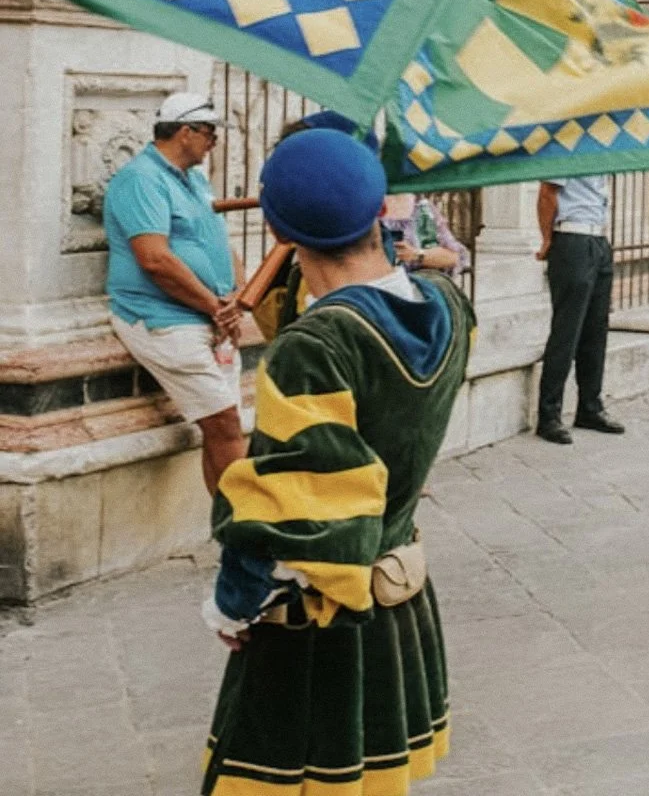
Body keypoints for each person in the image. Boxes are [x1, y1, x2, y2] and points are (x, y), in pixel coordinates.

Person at [201, 127, 474, 796]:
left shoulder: (318, 344)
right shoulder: (448, 304)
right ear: (380, 209)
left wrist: (233, 604)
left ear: (278, 225)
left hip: (322, 615)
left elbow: (298, 511)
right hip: (401, 591)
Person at [102, 91, 245, 494]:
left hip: (208, 317)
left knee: (223, 426)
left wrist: (238, 295)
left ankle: (229, 528)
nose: (215, 141)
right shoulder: (141, 180)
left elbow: (218, 239)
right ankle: (247, 535)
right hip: (163, 318)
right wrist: (215, 306)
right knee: (226, 424)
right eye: (211, 133)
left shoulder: (195, 180)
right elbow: (155, 260)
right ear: (186, 132)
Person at [533, 176, 625, 444]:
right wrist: (547, 240)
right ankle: (549, 415)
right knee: (566, 331)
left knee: (596, 331)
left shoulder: (597, 150)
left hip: (598, 238)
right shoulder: (566, 145)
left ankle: (590, 406)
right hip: (572, 237)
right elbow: (547, 194)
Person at [379, 193, 468, 275]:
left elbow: (453, 257)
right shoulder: (370, 207)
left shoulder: (422, 209)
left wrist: (416, 254)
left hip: (419, 283)